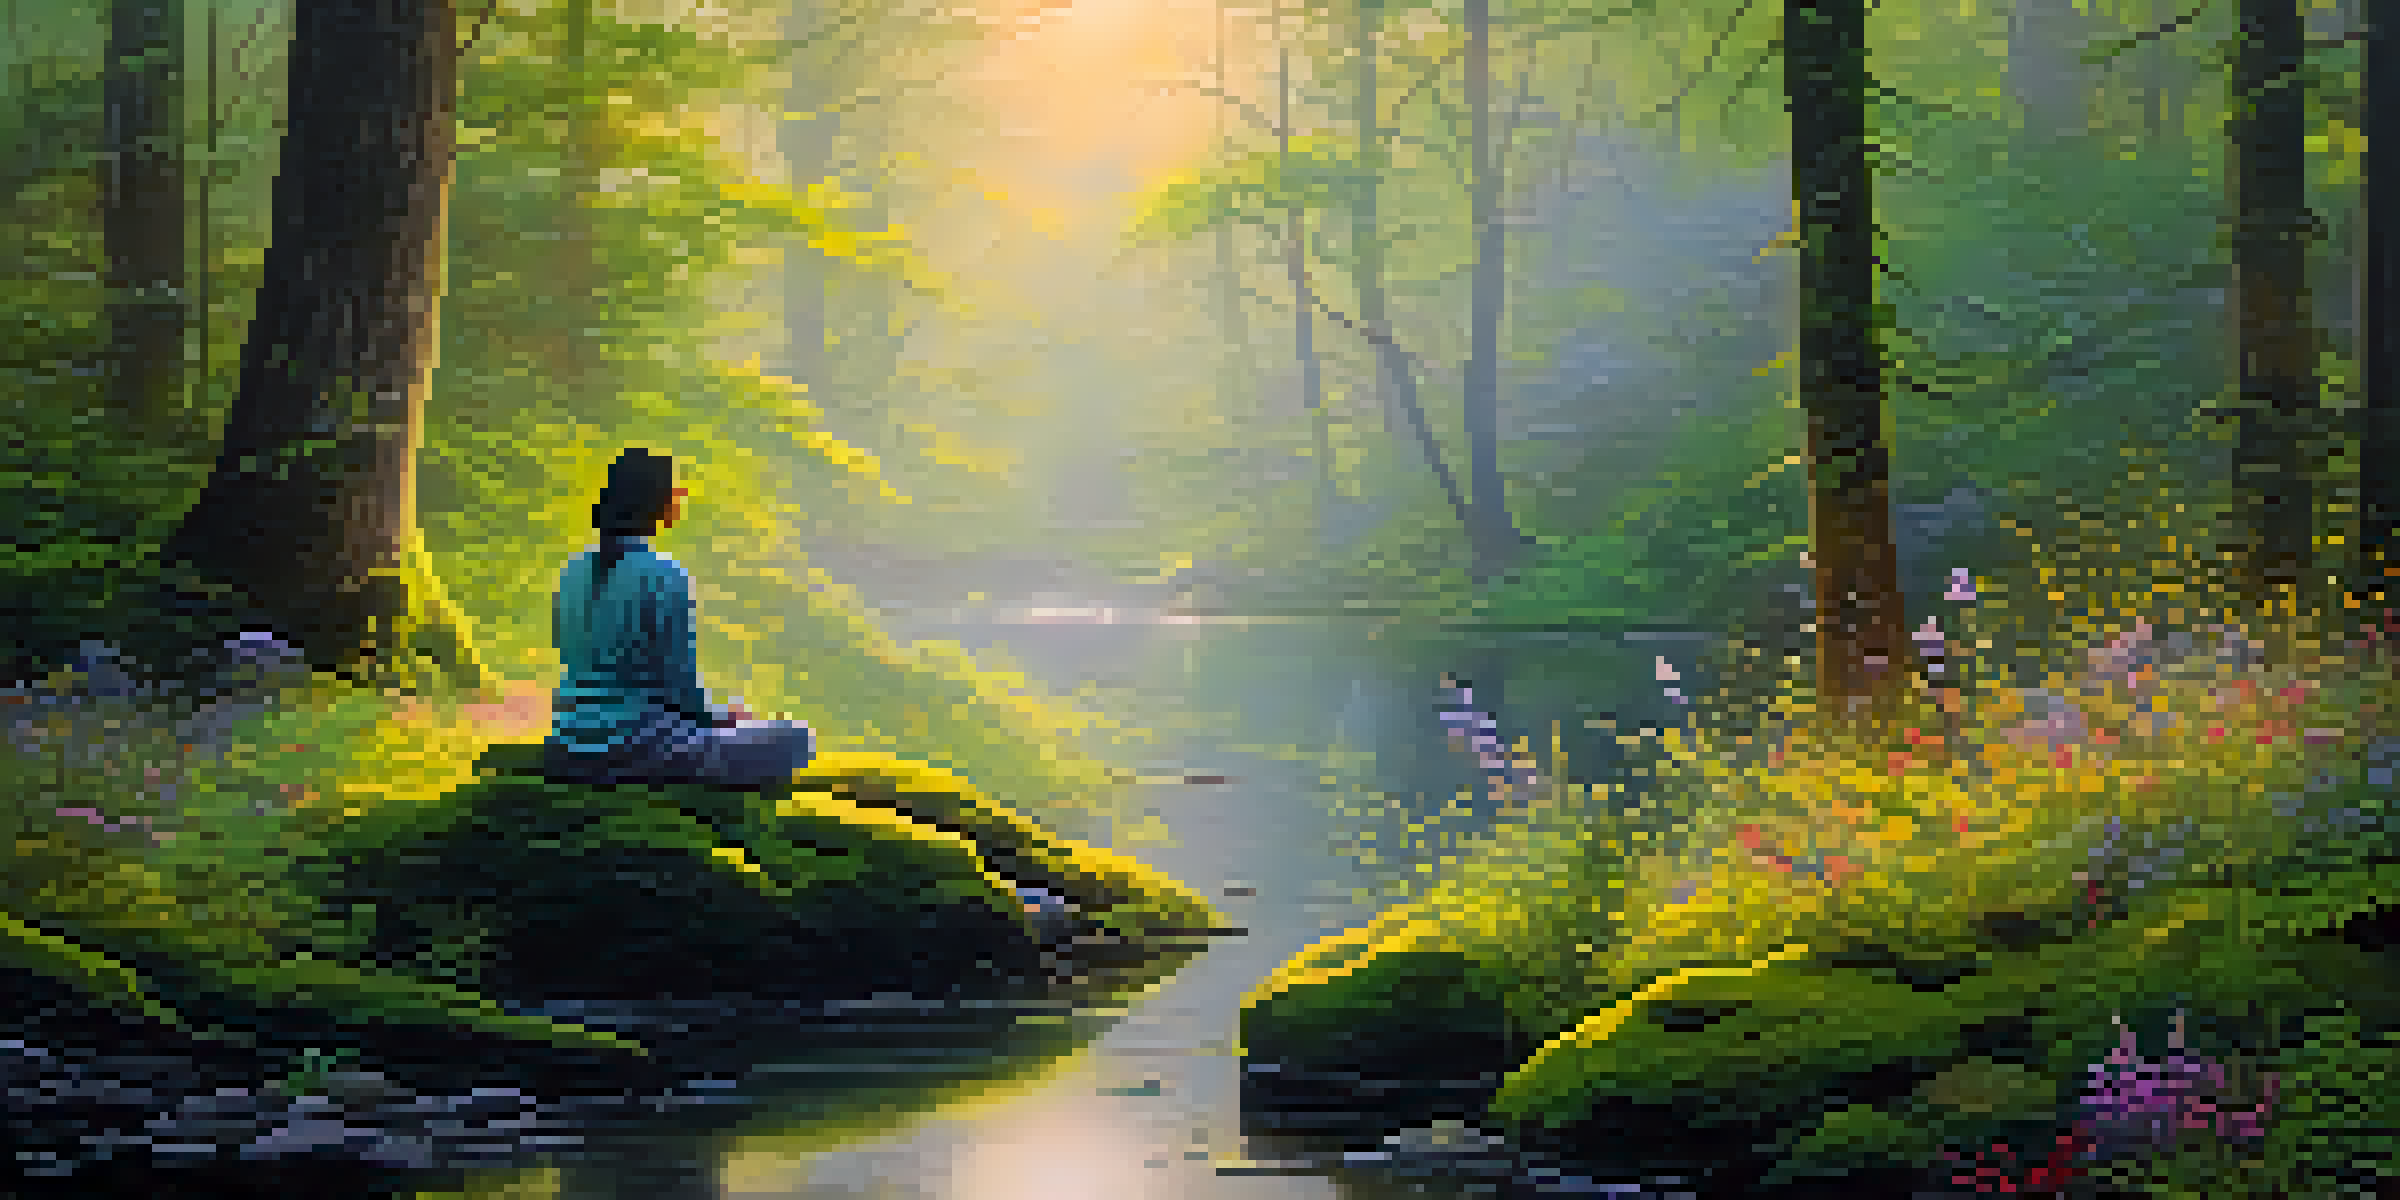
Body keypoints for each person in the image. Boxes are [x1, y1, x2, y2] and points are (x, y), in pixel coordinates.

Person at [542, 448, 814, 789]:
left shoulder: (573, 571)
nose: (680, 497)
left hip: (568, 741)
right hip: (636, 748)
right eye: (675, 490)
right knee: (795, 738)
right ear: (655, 501)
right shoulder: (665, 575)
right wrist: (724, 718)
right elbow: (680, 686)